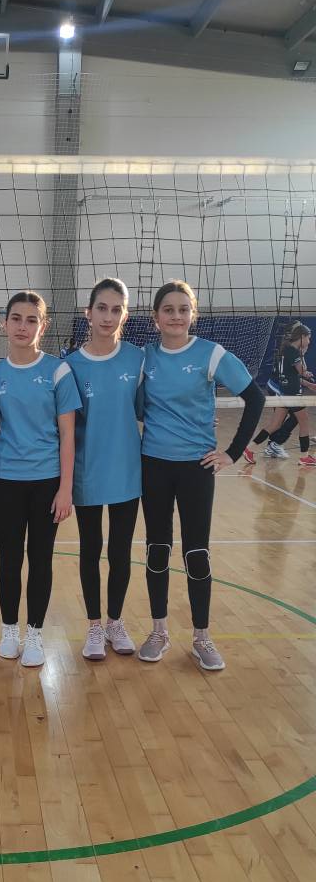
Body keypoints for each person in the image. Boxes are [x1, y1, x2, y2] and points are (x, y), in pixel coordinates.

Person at [138, 279, 264, 671]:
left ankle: (201, 637)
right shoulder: (144, 357)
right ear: (155, 317)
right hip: (154, 465)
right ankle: (159, 631)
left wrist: (231, 452)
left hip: (197, 468)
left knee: (196, 552)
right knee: (157, 549)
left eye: (183, 309)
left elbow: (255, 398)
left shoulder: (211, 353)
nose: (176, 316)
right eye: (168, 310)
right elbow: (134, 406)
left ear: (193, 314)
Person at [0, 291, 81, 667]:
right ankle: (10, 630)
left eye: (31, 320)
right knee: (8, 561)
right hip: (7, 483)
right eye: (16, 319)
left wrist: (65, 489)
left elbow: (68, 435)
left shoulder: (58, 371)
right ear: (4, 324)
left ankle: (35, 633)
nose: (23, 326)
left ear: (43, 326)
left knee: (41, 560)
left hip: (46, 483)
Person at [69, 278, 142, 660]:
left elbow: (152, 408)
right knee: (90, 548)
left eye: (116, 309)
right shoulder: (71, 365)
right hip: (87, 473)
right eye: (102, 308)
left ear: (124, 315)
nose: (108, 316)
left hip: (127, 472)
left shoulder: (137, 359)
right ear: (89, 312)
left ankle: (115, 621)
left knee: (120, 551)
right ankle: (94, 627)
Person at [243, 322, 316, 468]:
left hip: (284, 392)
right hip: (292, 394)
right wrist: (303, 353)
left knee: (275, 424)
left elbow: (292, 374)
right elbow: (302, 371)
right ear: (302, 337)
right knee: (304, 422)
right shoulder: (294, 351)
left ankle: (250, 449)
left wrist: (308, 384)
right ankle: (304, 457)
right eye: (308, 338)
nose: (309, 341)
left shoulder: (286, 349)